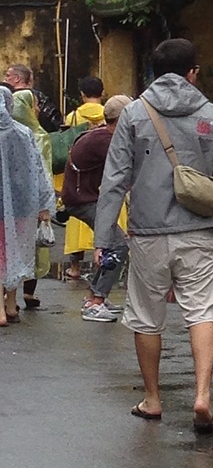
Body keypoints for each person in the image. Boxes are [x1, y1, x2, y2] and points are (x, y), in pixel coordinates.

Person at [94, 38, 213, 433]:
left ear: (154, 72)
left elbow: (115, 179)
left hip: (148, 233)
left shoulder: (135, 114)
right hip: (200, 230)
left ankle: (153, 399)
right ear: (193, 72)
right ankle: (202, 394)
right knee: (202, 311)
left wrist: (104, 237)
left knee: (146, 317)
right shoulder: (211, 114)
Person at [60, 94, 133, 322]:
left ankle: (94, 296)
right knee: (118, 245)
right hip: (84, 200)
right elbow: (130, 166)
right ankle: (96, 300)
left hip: (83, 197)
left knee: (115, 244)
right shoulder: (107, 141)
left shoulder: (101, 134)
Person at [0, 85, 56, 327]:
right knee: (13, 252)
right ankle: (11, 305)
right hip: (23, 204)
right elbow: (39, 170)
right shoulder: (24, 133)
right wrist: (45, 203)